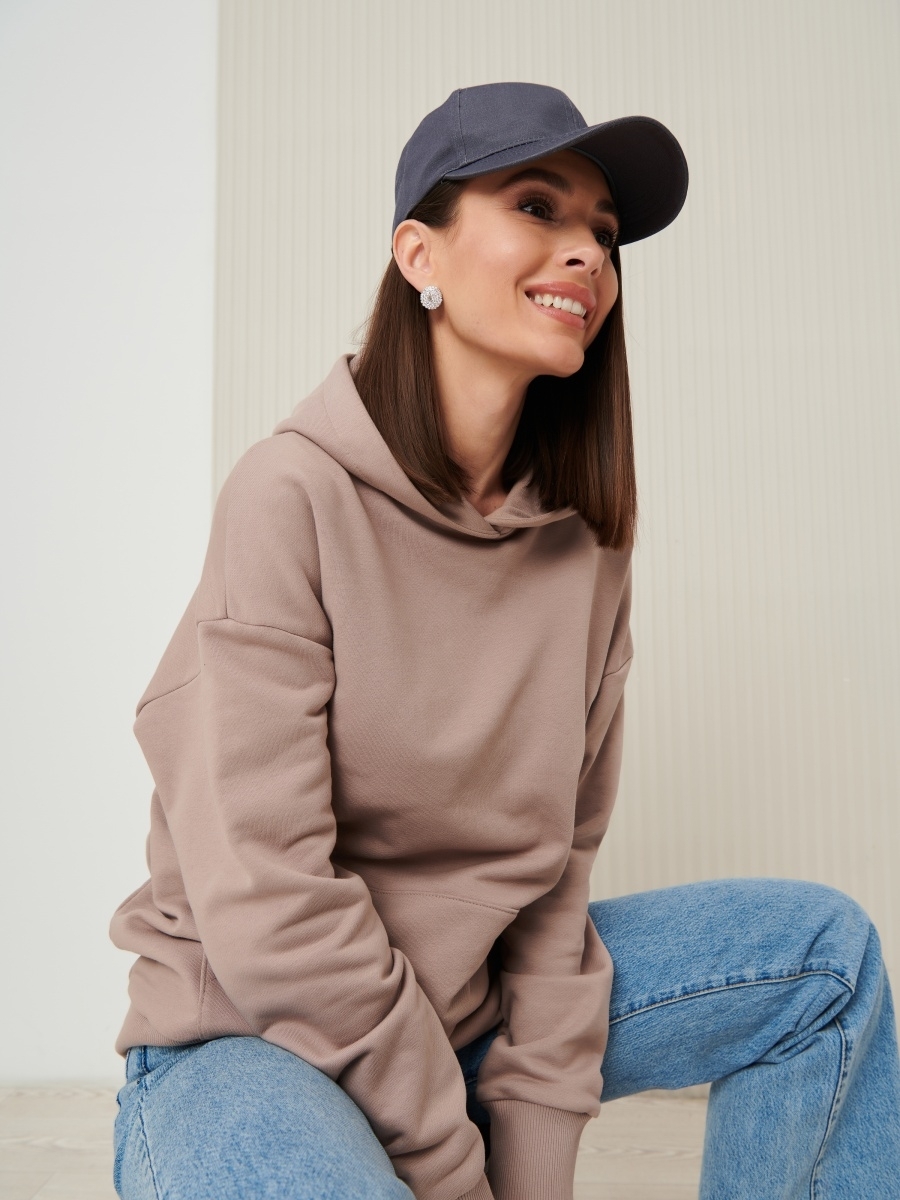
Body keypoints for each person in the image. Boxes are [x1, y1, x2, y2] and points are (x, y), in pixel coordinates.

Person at [109, 82, 900, 1200]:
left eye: (604, 234)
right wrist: (450, 1161)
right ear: (418, 255)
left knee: (824, 961)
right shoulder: (289, 496)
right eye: (537, 206)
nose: (587, 253)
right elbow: (267, 898)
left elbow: (552, 892)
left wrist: (527, 1163)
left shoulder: (585, 546)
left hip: (463, 1018)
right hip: (250, 1038)